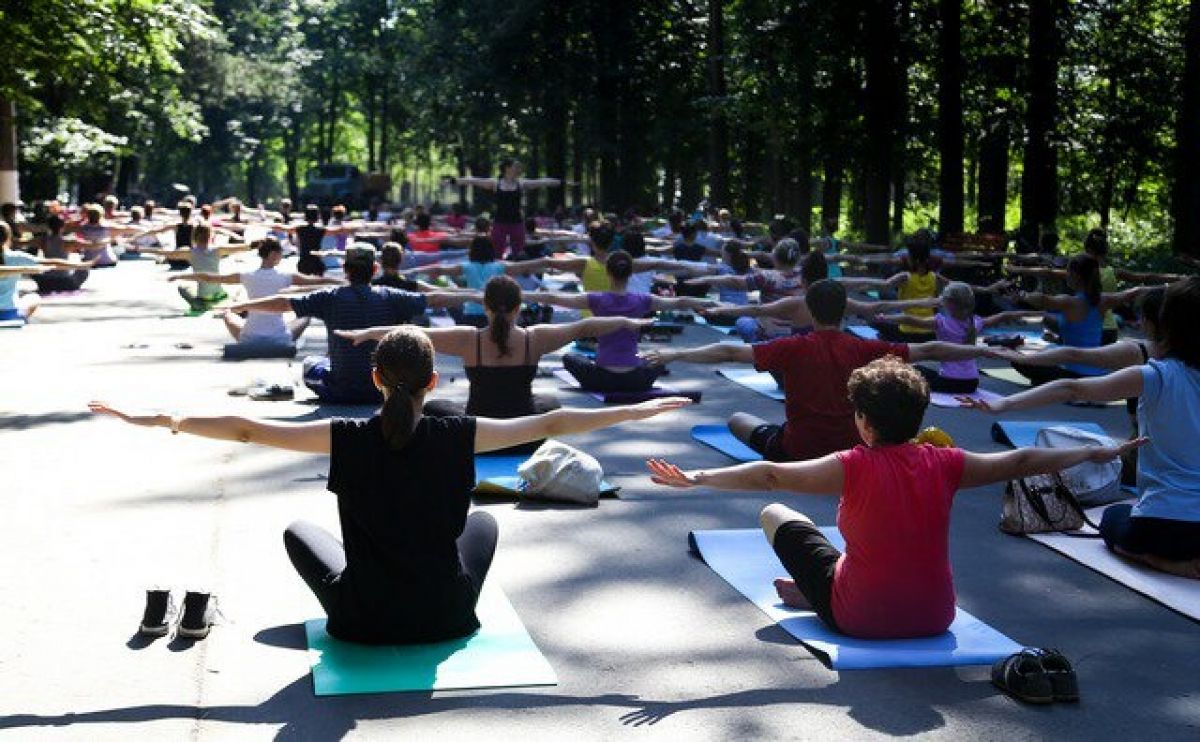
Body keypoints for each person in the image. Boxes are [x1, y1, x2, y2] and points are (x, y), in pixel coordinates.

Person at [89, 328, 690, 644]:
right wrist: (638, 412)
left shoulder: (344, 434)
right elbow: (555, 422)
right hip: (446, 614)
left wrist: (156, 419)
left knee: (300, 533)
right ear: (434, 379)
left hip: (362, 618)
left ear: (376, 378)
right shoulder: (461, 434)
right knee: (485, 522)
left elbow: (247, 429)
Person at [647, 356, 1145, 638]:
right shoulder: (947, 463)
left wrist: (697, 478)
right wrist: (1100, 451)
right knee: (869, 543)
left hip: (861, 618)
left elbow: (772, 479)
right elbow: (1019, 462)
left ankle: (822, 590)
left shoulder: (852, 465)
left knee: (776, 513)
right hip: (935, 616)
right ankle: (817, 587)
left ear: (863, 420)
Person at [960, 277, 1200, 578]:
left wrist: (1003, 404)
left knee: (1113, 520)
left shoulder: (1157, 376)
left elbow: (1073, 389)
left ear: (1168, 325)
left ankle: (1166, 563)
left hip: (1165, 523)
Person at [643, 279, 999, 461]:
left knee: (737, 419)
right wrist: (983, 348)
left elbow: (730, 351)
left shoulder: (793, 347)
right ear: (844, 310)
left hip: (799, 449)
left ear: (809, 312)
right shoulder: (863, 347)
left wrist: (677, 355)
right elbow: (931, 349)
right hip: (852, 449)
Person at [338, 275, 654, 452]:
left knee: (436, 407)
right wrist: (629, 321)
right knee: (550, 403)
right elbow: (585, 328)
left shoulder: (468, 338)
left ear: (485, 307)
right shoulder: (536, 338)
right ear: (518, 308)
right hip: (525, 436)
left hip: (476, 435)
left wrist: (369, 333)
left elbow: (414, 333)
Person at [228, 245, 470, 404]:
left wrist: (243, 306)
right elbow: (435, 299)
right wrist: (476, 296)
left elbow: (283, 304)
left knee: (310, 363)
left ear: (344, 270)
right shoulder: (391, 296)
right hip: (384, 389)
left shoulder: (330, 296)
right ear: (374, 269)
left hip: (342, 390)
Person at [527, 251, 715, 393]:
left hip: (603, 378)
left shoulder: (597, 299)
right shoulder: (642, 300)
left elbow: (554, 298)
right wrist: (711, 303)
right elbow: (680, 302)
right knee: (658, 361)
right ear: (630, 274)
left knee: (569, 358)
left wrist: (520, 294)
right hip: (635, 379)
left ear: (607, 272)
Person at [1008, 254, 1159, 385]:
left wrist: (1022, 295)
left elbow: (1043, 299)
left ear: (1076, 276)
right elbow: (1135, 291)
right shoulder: (1103, 300)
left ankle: (1049, 380)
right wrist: (1169, 288)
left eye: (1068, 272)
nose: (1065, 275)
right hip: (1098, 373)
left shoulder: (1069, 302)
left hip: (1070, 372)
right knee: (1048, 349)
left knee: (1017, 359)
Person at [873, 282, 1042, 393]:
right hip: (972, 382)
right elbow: (1004, 315)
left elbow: (911, 320)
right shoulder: (975, 322)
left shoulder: (941, 322)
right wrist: (1035, 312)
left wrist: (886, 318)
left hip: (950, 381)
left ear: (950, 304)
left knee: (908, 368)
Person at [169, 237, 341, 344]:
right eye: (280, 253)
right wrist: (341, 281)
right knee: (305, 315)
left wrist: (180, 277)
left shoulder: (246, 275)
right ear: (273, 254)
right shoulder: (286, 276)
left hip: (249, 338)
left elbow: (210, 277)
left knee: (228, 313)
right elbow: (317, 280)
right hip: (280, 339)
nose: (281, 257)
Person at [412, 236, 549, 328]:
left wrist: (414, 270)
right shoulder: (500, 266)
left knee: (452, 300)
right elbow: (524, 266)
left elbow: (440, 269)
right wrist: (548, 262)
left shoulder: (466, 267)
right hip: (492, 315)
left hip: (470, 316)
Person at [452, 158, 563, 258]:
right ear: (507, 168)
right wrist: (455, 181)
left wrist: (561, 182)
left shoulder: (521, 184)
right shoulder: (496, 183)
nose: (519, 169)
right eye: (516, 166)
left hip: (517, 223)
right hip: (500, 223)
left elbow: (542, 182)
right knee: (496, 253)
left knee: (518, 254)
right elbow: (474, 180)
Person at [0, 223, 94, 322]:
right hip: (9, 313)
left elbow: (25, 243)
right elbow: (51, 262)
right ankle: (20, 318)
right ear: (8, 238)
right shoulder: (16, 257)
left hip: (44, 282)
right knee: (33, 298)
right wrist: (80, 265)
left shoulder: (42, 241)